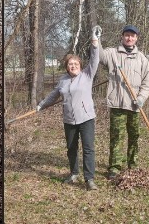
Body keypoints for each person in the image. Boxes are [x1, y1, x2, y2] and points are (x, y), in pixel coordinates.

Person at [36, 27, 100, 190]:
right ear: (66, 67)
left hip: (86, 118)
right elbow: (54, 95)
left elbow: (95, 59)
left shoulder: (87, 75)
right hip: (69, 119)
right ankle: (73, 173)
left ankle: (89, 179)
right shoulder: (63, 80)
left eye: (76, 63)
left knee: (88, 148)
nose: (73, 66)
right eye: (70, 64)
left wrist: (94, 42)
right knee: (71, 148)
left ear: (80, 65)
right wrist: (41, 105)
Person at [98, 25, 149, 179]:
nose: (129, 38)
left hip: (134, 106)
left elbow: (146, 86)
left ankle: (132, 165)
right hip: (117, 105)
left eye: (132, 36)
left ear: (136, 38)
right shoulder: (112, 54)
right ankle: (114, 168)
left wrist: (141, 99)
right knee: (116, 137)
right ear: (122, 36)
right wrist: (96, 40)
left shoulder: (142, 59)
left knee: (134, 136)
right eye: (127, 35)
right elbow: (99, 56)